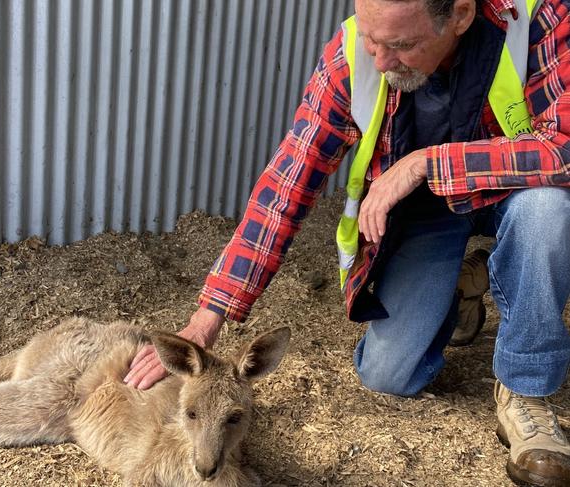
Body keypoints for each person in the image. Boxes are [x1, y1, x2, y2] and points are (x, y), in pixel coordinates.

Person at [124, 0, 570, 484]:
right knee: (389, 376)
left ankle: (527, 391)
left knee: (549, 210)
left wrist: (425, 163)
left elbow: (564, 146)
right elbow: (288, 181)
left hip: (515, 192)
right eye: (373, 42)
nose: (379, 61)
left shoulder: (537, 18)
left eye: (401, 45)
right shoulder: (355, 48)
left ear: (460, 15)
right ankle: (468, 282)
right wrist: (207, 317)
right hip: (423, 213)